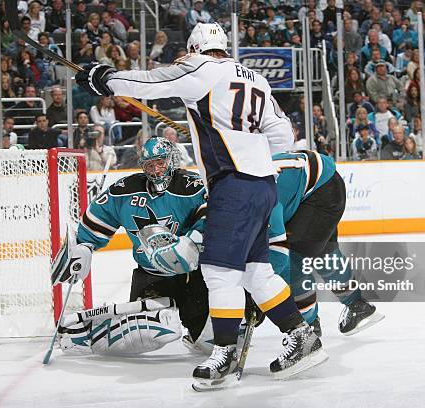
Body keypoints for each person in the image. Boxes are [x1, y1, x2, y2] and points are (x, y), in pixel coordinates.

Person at [74, 22, 324, 389]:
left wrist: (105, 78)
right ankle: (302, 336)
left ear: (194, 48)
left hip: (232, 186)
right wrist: (245, 145)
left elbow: (152, 82)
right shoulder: (253, 77)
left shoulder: (199, 68)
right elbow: (282, 134)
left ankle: (223, 353)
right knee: (256, 272)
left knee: (219, 272)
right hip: (263, 185)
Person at [55, 136, 211, 357]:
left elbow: (214, 215)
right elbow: (98, 216)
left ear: (171, 161)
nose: (156, 170)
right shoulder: (125, 190)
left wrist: (193, 241)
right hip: (151, 277)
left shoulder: (191, 186)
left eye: (160, 163)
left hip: (193, 276)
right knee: (152, 330)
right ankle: (95, 334)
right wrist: (84, 246)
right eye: (150, 165)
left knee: (210, 343)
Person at [269, 149, 384, 336]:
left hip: (320, 191)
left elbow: (276, 255)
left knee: (295, 260)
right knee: (324, 252)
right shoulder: (249, 188)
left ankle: (309, 328)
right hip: (318, 183)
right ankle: (358, 305)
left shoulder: (260, 200)